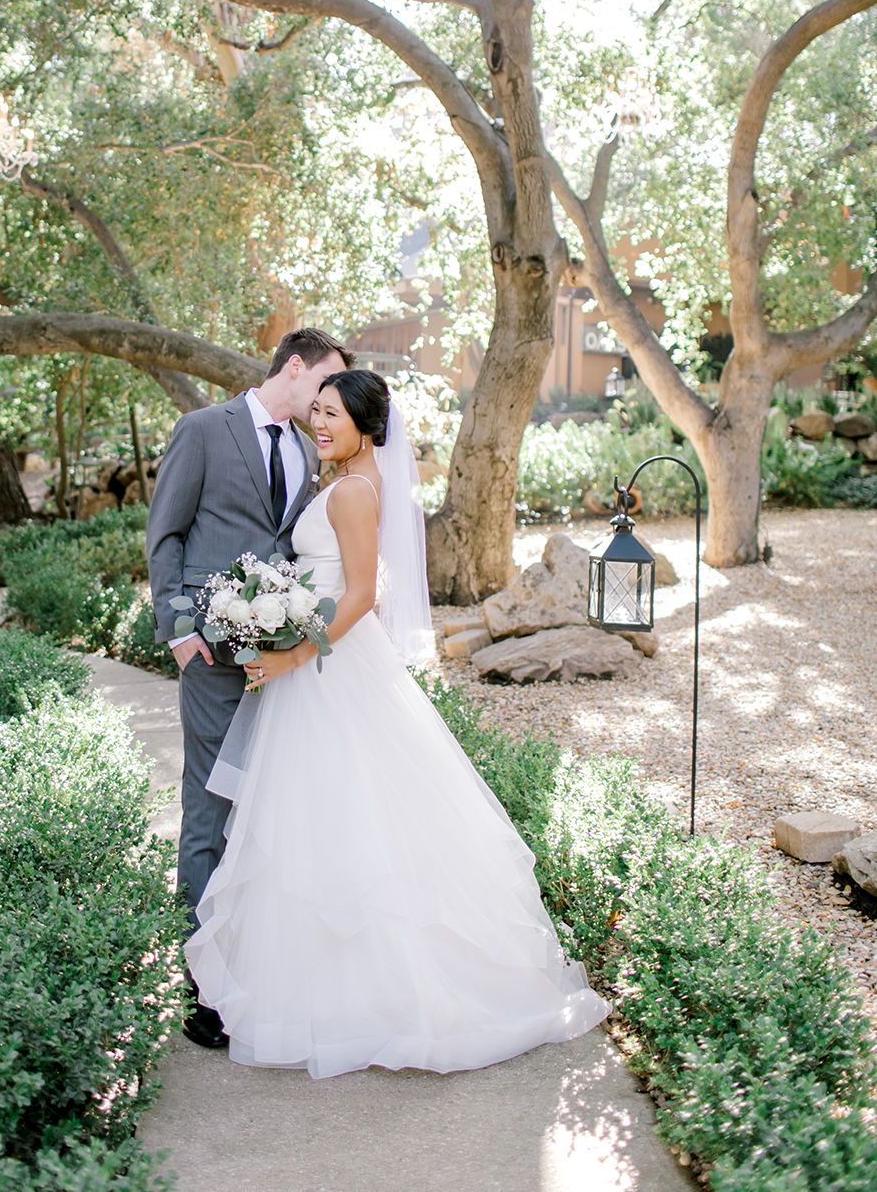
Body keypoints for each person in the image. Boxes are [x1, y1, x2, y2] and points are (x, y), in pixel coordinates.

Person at [185, 369, 610, 1078]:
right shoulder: (351, 481)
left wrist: (291, 653)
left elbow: (357, 595)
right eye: (317, 412)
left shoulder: (354, 491)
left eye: (334, 415)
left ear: (366, 427)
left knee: (333, 816)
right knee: (325, 817)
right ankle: (303, 985)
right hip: (322, 661)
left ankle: (352, 998)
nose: (320, 424)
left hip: (327, 666)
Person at [147, 327, 354, 1049]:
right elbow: (166, 534)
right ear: (293, 368)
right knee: (209, 806)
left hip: (279, 656)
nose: (325, 404)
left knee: (269, 809)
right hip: (210, 652)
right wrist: (178, 630)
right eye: (322, 385)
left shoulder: (307, 452)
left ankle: (256, 970)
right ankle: (202, 987)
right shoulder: (204, 429)